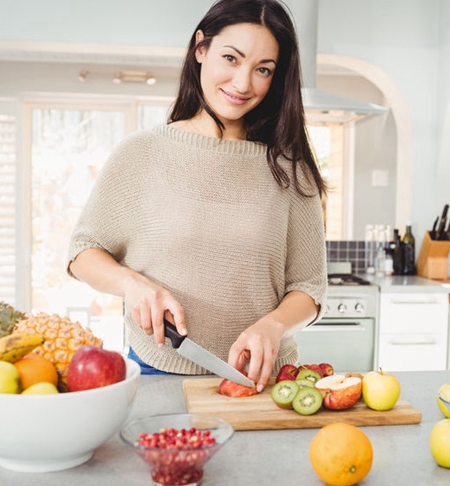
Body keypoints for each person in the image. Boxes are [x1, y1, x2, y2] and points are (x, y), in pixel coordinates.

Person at [67, 0, 327, 392]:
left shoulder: (290, 169)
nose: (243, 84)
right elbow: (83, 251)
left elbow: (309, 288)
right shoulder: (142, 153)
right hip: (158, 370)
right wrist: (132, 283)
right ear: (200, 49)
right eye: (231, 58)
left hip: (264, 380)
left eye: (263, 70)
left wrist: (273, 326)